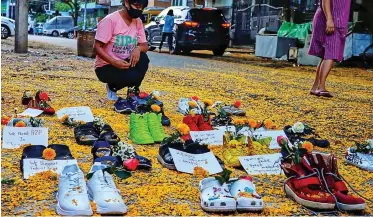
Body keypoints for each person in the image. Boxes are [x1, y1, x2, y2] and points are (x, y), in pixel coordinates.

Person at [94, 0, 149, 101]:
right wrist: (114, 62)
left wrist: (138, 48)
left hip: (126, 63)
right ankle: (112, 87)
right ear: (126, 2)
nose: (139, 10)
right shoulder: (110, 20)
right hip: (106, 66)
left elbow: (145, 46)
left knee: (144, 59)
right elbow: (97, 47)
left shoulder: (138, 21)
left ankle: (132, 93)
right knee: (132, 76)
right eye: (137, 6)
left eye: (142, 7)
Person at [308, 0, 351, 98]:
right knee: (332, 53)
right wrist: (329, 19)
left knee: (326, 55)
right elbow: (325, 1)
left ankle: (315, 87)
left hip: (336, 21)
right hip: (330, 20)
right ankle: (321, 87)